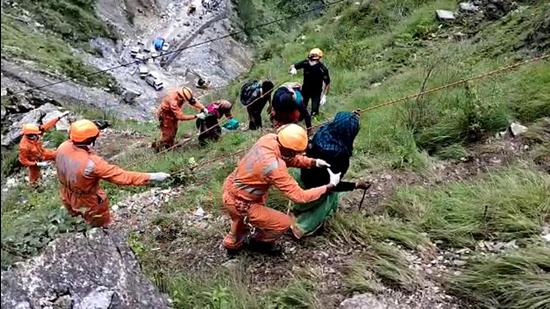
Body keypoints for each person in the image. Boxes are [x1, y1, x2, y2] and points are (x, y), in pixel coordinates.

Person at [221, 124, 341, 255]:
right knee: (283, 222)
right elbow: (300, 196)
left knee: (239, 221)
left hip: (233, 187)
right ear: (289, 150)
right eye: (296, 152)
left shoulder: (269, 139)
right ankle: (259, 243)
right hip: (241, 203)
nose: (298, 154)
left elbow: (288, 158)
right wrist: (329, 186)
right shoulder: (274, 167)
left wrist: (313, 162)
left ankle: (235, 239)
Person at [55, 119, 170, 227]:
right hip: (87, 200)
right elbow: (122, 177)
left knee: (76, 218)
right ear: (91, 140)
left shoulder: (62, 147)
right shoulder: (93, 164)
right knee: (98, 223)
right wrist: (152, 176)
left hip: (66, 193)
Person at [290, 112, 370, 238]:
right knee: (331, 195)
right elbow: (334, 185)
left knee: (315, 187)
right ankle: (302, 227)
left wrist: (349, 117)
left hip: (302, 175)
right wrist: (355, 185)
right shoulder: (340, 156)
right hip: (316, 187)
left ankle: (297, 210)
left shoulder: (321, 134)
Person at [18, 112, 69, 186]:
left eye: (37, 134)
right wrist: (38, 163)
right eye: (35, 135)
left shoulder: (35, 132)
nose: (37, 136)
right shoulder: (24, 146)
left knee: (57, 155)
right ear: (29, 135)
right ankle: (34, 190)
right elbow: (23, 161)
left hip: (42, 153)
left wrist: (59, 117)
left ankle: (63, 172)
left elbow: (47, 126)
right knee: (34, 180)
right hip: (33, 161)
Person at [154, 86, 209, 151]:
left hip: (173, 114)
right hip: (165, 115)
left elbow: (193, 101)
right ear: (181, 97)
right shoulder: (173, 101)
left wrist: (203, 108)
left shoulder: (182, 93)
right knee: (168, 134)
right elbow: (181, 117)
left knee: (174, 129)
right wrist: (196, 116)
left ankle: (170, 144)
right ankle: (158, 147)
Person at [289, 48, 331, 117]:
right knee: (301, 110)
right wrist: (293, 69)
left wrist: (324, 96)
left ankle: (313, 122)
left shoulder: (322, 69)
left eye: (314, 55)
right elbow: (293, 66)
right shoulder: (305, 63)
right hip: (305, 90)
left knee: (314, 112)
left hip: (316, 92)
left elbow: (327, 83)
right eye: (311, 55)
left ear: (318, 57)